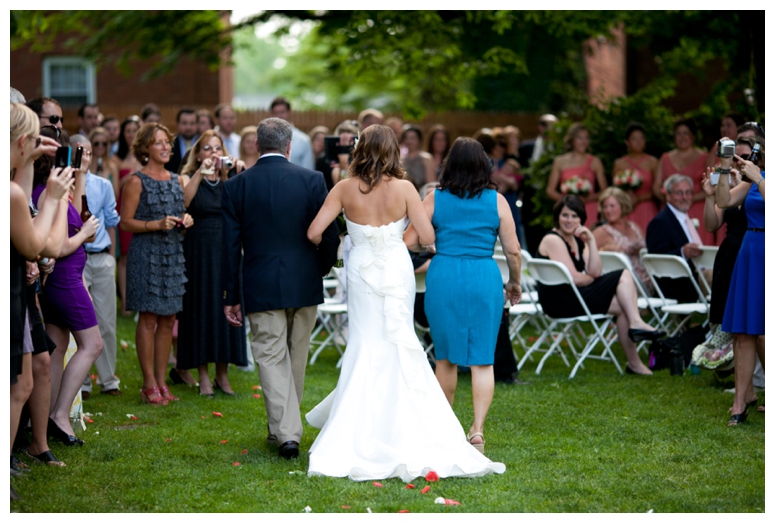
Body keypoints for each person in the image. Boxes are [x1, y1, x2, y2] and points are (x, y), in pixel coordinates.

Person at [305, 127, 506, 481]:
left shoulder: (343, 188)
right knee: (399, 342)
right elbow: (427, 238)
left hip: (362, 271)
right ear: (394, 152)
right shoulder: (405, 189)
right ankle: (409, 425)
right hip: (396, 271)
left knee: (366, 343)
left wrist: (340, 245)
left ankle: (360, 428)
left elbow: (314, 232)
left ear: (360, 150)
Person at [221, 117, 339, 459]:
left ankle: (285, 431)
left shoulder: (237, 186)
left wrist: (230, 294)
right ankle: (286, 430)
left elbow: (229, 247)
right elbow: (330, 234)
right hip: (304, 281)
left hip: (260, 283)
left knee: (272, 357)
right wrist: (320, 267)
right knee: (295, 356)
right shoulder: (312, 180)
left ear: (257, 145)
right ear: (289, 146)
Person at [411, 136, 523, 452]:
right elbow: (513, 251)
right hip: (484, 276)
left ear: (449, 166)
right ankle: (476, 430)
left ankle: (446, 428)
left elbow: (410, 240)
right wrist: (514, 283)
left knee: (444, 358)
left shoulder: (434, 198)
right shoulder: (497, 201)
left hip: (444, 275)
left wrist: (431, 245)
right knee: (482, 360)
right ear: (484, 166)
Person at [11, 103, 72, 476]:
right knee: (17, 387)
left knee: (24, 381)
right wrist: (53, 197)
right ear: (22, 140)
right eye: (34, 139)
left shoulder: (13, 183)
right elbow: (37, 246)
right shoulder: (14, 195)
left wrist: (28, 163)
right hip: (12, 292)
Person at [537, 195, 663, 375]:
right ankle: (637, 322)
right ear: (557, 216)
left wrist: (590, 241)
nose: (569, 220)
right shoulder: (553, 239)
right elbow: (576, 278)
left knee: (623, 306)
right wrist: (589, 278)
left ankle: (634, 363)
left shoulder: (578, 241)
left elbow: (595, 271)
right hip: (559, 300)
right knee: (623, 273)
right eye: (565, 215)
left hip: (576, 295)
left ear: (581, 219)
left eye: (574, 216)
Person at [32, 127, 103, 445]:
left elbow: (75, 205)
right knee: (92, 344)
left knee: (59, 349)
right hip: (64, 280)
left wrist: (82, 172)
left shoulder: (50, 191)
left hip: (63, 280)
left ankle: (48, 419)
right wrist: (85, 234)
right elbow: (58, 245)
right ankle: (61, 414)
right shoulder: (49, 193)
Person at [120, 123, 193, 405]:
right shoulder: (136, 180)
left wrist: (186, 221)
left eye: (168, 142)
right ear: (146, 148)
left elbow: (181, 215)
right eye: (159, 142)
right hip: (146, 253)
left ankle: (162, 383)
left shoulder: (177, 180)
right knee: (149, 318)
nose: (165, 147)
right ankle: (148, 382)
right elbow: (125, 222)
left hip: (173, 253)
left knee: (168, 319)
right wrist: (154, 224)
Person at [177, 131, 247, 397]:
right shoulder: (187, 177)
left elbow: (242, 207)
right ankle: (203, 374)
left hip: (227, 249)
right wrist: (201, 173)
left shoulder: (230, 177)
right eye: (207, 148)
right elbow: (184, 201)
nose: (213, 153)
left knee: (226, 306)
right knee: (201, 307)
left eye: (218, 148)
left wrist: (236, 172)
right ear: (198, 153)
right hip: (198, 250)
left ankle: (223, 374)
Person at [715, 140, 765, 425]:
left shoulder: (761, 176)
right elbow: (724, 201)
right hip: (751, 248)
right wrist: (724, 171)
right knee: (743, 331)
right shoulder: (756, 176)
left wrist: (759, 177)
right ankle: (739, 405)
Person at [71, 134, 123, 400]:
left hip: (101, 256)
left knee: (106, 319)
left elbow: (111, 220)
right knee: (79, 321)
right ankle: (83, 381)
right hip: (74, 258)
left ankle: (108, 378)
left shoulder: (103, 185)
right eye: (80, 152)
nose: (85, 158)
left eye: (89, 153)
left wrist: (111, 256)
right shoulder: (63, 185)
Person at [696, 138, 755, 361]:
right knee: (725, 315)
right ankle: (722, 364)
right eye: (732, 156)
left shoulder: (759, 186)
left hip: (751, 252)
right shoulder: (725, 183)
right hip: (730, 253)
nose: (738, 161)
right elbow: (712, 225)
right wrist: (709, 197)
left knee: (749, 318)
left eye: (745, 157)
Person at [645, 174, 708, 302]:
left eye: (688, 192)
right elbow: (656, 258)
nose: (685, 197)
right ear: (668, 196)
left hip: (694, 275)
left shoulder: (684, 218)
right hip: (678, 283)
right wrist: (682, 252)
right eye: (679, 193)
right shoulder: (660, 222)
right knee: (722, 277)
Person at [654, 119, 712, 245]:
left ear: (693, 136)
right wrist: (671, 199)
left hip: (696, 208)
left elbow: (711, 185)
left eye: (685, 133)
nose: (682, 137)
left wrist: (688, 198)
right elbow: (656, 187)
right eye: (678, 134)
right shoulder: (665, 158)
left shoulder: (704, 157)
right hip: (671, 209)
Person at [111, 116, 143, 316]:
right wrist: (130, 176)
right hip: (124, 209)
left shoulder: (146, 156)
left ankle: (140, 301)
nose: (131, 134)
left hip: (143, 210)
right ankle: (125, 304)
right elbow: (115, 191)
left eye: (135, 130)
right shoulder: (116, 159)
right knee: (124, 257)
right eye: (128, 130)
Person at [593, 187, 653, 294]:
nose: (608, 210)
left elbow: (647, 250)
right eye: (605, 207)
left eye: (612, 206)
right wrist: (606, 249)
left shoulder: (634, 226)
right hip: (624, 281)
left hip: (648, 274)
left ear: (623, 205)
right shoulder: (601, 231)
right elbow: (587, 256)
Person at [547, 123, 607, 228]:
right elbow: (550, 190)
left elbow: (605, 190)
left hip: (589, 209)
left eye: (586, 138)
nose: (584, 142)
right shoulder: (559, 162)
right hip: (567, 211)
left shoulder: (595, 161)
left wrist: (587, 198)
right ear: (572, 140)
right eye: (580, 138)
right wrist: (567, 201)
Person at [611, 122, 659, 233]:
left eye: (641, 138)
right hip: (625, 209)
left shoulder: (653, 162)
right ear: (627, 142)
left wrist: (639, 198)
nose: (638, 142)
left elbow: (657, 190)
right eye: (634, 139)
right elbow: (614, 191)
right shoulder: (619, 163)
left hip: (646, 208)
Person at [270, 97, 314, 170]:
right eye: (275, 113)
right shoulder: (266, 139)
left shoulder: (303, 140)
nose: (279, 116)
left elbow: (308, 169)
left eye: (282, 112)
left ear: (290, 112)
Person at [165, 108, 199, 175]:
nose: (188, 127)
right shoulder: (168, 144)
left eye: (192, 123)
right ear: (177, 124)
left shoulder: (203, 144)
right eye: (184, 123)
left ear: (197, 125)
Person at [401, 125, 435, 191]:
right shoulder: (401, 159)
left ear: (419, 140)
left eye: (412, 138)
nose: (409, 141)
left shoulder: (426, 158)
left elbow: (431, 184)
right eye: (406, 138)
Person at [87, 126, 119, 198]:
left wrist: (107, 184)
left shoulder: (112, 167)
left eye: (104, 143)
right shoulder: (86, 166)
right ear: (91, 144)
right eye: (96, 143)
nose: (100, 146)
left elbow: (116, 196)